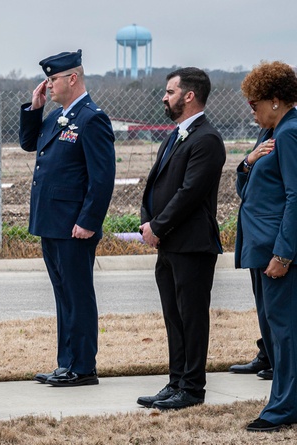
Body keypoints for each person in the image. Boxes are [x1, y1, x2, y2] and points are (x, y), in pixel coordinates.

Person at [20, 49, 116, 387]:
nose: (48, 85)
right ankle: (67, 362)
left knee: (77, 295)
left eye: (52, 79)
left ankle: (83, 366)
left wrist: (89, 220)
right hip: (52, 222)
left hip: (75, 225)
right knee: (64, 296)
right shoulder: (57, 116)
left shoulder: (92, 119)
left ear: (72, 78)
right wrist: (36, 106)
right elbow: (28, 143)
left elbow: (102, 177)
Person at [137, 68, 225, 410]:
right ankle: (176, 381)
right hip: (169, 244)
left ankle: (192, 388)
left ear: (189, 95)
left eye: (170, 91)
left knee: (192, 318)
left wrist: (158, 226)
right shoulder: (175, 135)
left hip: (192, 245)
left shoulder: (207, 139)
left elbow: (190, 193)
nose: (164, 97)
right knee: (173, 317)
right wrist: (148, 222)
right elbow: (156, 185)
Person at [234, 61, 297, 432]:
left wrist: (284, 253)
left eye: (255, 103)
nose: (251, 110)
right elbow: (247, 192)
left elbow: (295, 196)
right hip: (260, 249)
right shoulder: (269, 133)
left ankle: (284, 408)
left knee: (285, 330)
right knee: (273, 329)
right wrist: (246, 163)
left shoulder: (289, 134)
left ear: (276, 100)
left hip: (277, 252)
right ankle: (282, 398)